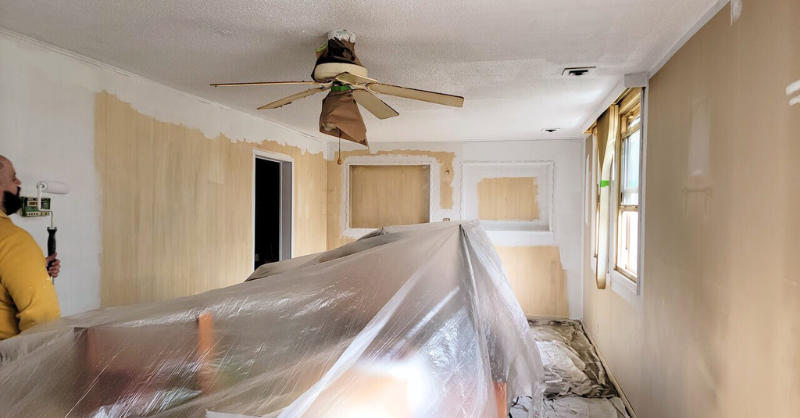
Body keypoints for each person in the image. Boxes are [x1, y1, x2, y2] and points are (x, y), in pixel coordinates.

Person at [0, 155, 60, 340]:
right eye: (13, 178)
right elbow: (44, 324)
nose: (19, 183)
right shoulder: (13, 240)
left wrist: (33, 267)